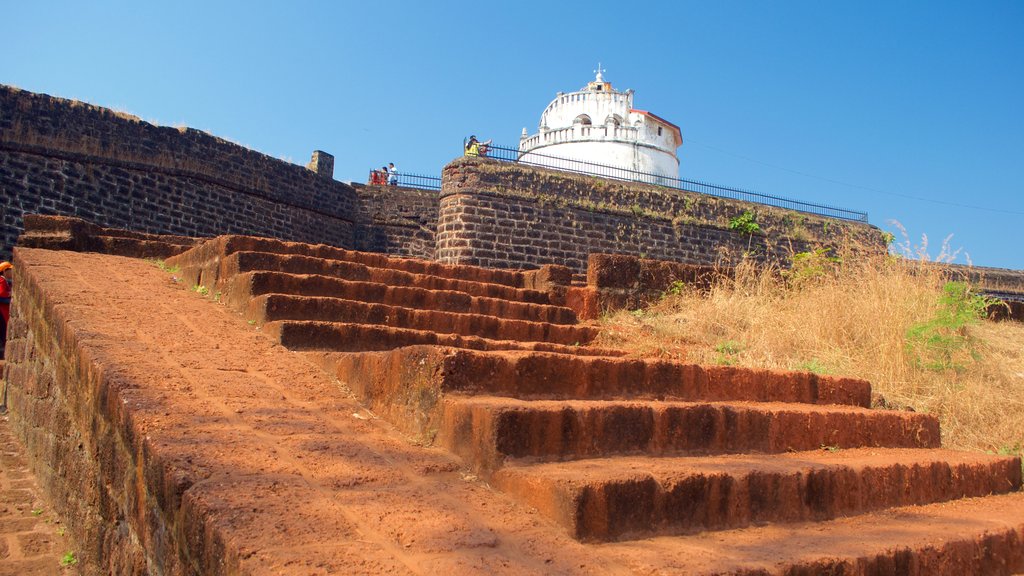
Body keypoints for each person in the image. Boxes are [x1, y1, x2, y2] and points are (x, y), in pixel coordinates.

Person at [0, 261, 11, 360]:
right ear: (4, 271)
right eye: (10, 270)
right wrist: (11, 294)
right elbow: (2, 293)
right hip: (2, 312)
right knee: (4, 333)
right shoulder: (2, 280)